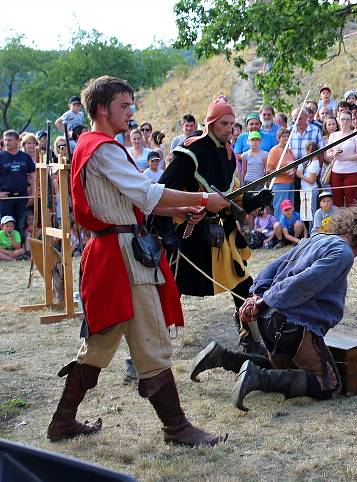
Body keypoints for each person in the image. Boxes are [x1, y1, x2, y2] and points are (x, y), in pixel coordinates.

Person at [48, 75, 229, 446]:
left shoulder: (90, 146)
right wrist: (202, 200)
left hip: (113, 251)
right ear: (102, 109)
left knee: (99, 343)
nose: (131, 113)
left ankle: (63, 420)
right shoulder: (103, 149)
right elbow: (147, 193)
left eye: (131, 105)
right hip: (121, 256)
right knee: (151, 339)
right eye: (124, 106)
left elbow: (138, 199)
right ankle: (176, 428)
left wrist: (189, 206)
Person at [189, 204, 357, 409]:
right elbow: (303, 282)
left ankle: (223, 357)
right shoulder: (342, 253)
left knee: (285, 371)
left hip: (271, 321)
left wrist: (259, 296)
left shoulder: (317, 238)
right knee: (328, 385)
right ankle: (257, 378)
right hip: (292, 326)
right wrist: (262, 300)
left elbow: (272, 266)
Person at [157, 96, 266, 354]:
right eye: (224, 123)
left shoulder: (228, 155)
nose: (229, 128)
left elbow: (232, 197)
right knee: (169, 291)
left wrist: (254, 198)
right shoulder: (189, 154)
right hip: (188, 235)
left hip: (219, 235)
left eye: (232, 123)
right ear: (211, 123)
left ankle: (250, 340)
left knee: (243, 286)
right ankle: (148, 349)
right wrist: (165, 230)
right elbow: (161, 192)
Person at [0, 130, 35, 232]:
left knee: (20, 225)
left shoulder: (25, 157)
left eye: (10, 140)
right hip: (5, 198)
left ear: (17, 141)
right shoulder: (1, 156)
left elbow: (33, 175)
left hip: (22, 196)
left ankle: (21, 247)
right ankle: (6, 248)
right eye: (5, 140)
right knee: (6, 226)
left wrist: (33, 193)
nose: (7, 142)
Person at [327, 110, 357, 207]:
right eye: (343, 119)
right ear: (338, 120)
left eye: (347, 119)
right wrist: (334, 153)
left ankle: (352, 221)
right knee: (337, 200)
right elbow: (328, 153)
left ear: (351, 121)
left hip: (352, 171)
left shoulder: (356, 135)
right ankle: (340, 221)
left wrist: (344, 157)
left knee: (351, 201)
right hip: (336, 171)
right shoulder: (333, 135)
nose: (345, 122)